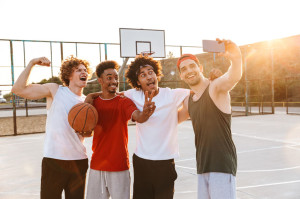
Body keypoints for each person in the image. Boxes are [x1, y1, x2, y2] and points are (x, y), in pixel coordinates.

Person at [11, 56, 92, 199]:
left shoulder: (86, 102)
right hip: (54, 159)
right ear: (68, 75)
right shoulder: (55, 91)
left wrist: (87, 131)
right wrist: (32, 63)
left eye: (85, 70)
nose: (83, 72)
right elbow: (18, 89)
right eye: (78, 70)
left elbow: (88, 133)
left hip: (79, 160)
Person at [177, 39, 242, 199]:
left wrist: (236, 58)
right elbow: (169, 121)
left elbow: (232, 77)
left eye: (192, 66)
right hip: (203, 166)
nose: (189, 70)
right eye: (184, 69)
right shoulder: (188, 100)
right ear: (181, 75)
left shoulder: (215, 87)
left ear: (200, 68)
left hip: (221, 165)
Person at [84, 60, 156, 199]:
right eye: (109, 78)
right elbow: (87, 131)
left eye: (116, 78)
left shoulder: (124, 101)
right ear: (100, 80)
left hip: (119, 166)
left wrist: (146, 112)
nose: (114, 81)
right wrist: (89, 97)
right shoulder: (93, 103)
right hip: (97, 165)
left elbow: (139, 117)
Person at [124, 55, 191, 199]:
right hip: (142, 160)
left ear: (156, 74)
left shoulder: (171, 95)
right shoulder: (133, 95)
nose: (148, 77)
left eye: (150, 72)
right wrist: (92, 95)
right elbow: (113, 97)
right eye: (143, 75)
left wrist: (177, 118)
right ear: (137, 81)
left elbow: (193, 95)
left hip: (165, 161)